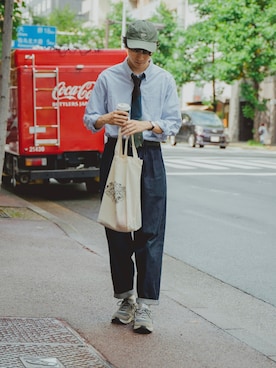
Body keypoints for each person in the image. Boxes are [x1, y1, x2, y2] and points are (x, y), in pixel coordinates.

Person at [83, 19, 182, 334]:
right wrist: (105, 118)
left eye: (146, 51)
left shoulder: (164, 80)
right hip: (115, 154)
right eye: (135, 49)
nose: (140, 56)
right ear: (126, 45)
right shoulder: (108, 77)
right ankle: (125, 299)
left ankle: (146, 306)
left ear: (153, 50)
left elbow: (174, 122)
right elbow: (89, 118)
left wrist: (148, 124)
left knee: (151, 233)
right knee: (117, 227)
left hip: (150, 156)